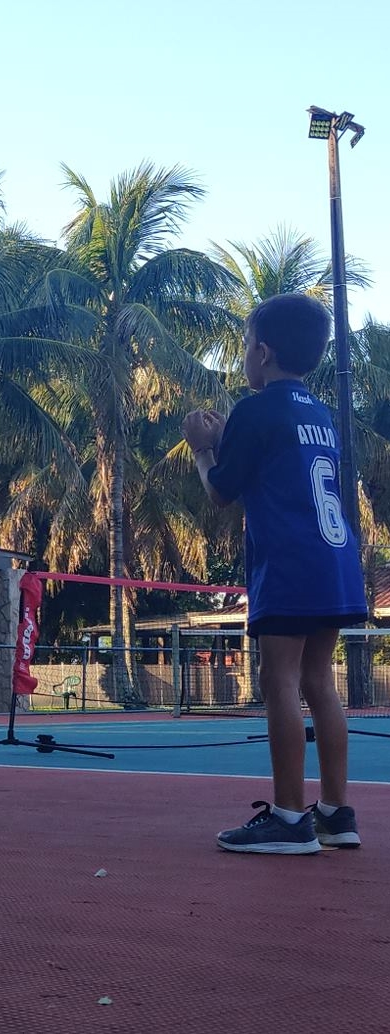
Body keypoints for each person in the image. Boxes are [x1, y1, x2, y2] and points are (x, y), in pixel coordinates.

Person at [183, 293, 366, 854]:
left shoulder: (256, 410)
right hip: (334, 560)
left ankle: (289, 818)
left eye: (243, 345)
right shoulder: (319, 414)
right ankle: (336, 812)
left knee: (280, 681)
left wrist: (202, 450)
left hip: (287, 562)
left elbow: (220, 493)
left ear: (262, 352)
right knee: (319, 681)